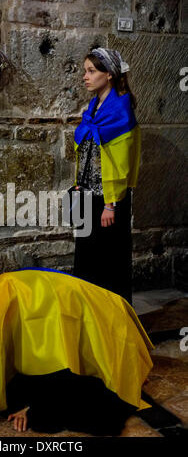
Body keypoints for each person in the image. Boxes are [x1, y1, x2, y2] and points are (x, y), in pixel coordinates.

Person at [0, 268, 154, 435]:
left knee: (96, 408)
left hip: (98, 316)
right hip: (41, 299)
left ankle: (126, 371)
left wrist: (36, 410)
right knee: (15, 386)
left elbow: (62, 370)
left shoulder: (105, 317)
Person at [73, 48, 141, 306]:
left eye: (91, 71)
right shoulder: (94, 108)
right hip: (88, 196)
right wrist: (79, 186)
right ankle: (88, 317)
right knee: (87, 259)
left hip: (108, 202)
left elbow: (120, 163)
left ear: (109, 75)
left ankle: (111, 320)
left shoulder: (120, 112)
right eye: (85, 71)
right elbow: (90, 151)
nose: (85, 77)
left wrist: (111, 204)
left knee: (108, 262)